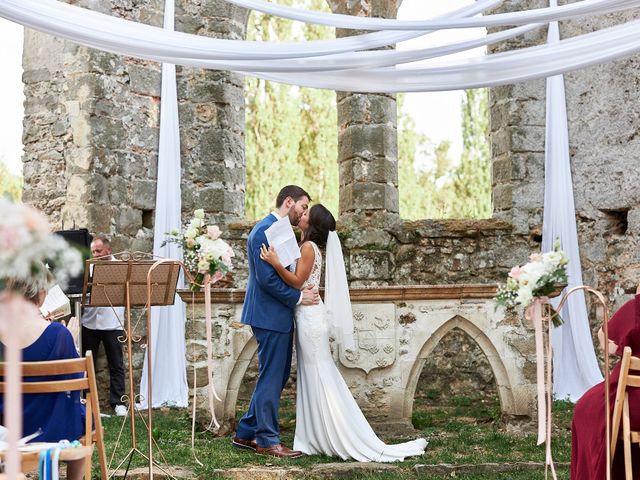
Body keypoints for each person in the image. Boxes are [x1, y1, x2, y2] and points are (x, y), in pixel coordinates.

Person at [260, 204, 427, 462]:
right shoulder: (307, 247)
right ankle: (312, 436)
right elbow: (303, 283)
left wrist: (275, 263)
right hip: (307, 315)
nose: (300, 215)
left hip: (310, 320)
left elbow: (296, 282)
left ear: (312, 224)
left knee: (319, 374)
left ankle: (331, 433)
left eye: (305, 214)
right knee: (312, 374)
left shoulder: (307, 248)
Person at [232, 185, 320, 458]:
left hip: (277, 314)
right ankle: (268, 440)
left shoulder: (280, 230)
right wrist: (298, 298)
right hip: (268, 314)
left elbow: (286, 272)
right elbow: (266, 279)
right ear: (289, 201)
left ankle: (246, 433)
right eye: (303, 207)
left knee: (277, 374)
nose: (304, 213)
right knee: (271, 375)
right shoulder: (264, 231)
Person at [0, 276, 85, 480]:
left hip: (7, 426)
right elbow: (76, 380)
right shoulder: (57, 333)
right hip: (53, 427)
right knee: (81, 417)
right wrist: (70, 342)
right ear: (41, 294)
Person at [571, 286, 640, 479]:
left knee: (586, 409)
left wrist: (618, 342)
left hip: (634, 406)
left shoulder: (635, 308)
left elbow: (604, 341)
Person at [81, 235, 127, 416]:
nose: (95, 254)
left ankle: (118, 403)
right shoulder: (89, 267)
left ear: (108, 250)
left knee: (116, 364)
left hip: (112, 322)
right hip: (89, 322)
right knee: (86, 364)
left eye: (98, 251)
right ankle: (86, 402)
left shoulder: (121, 268)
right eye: (93, 251)